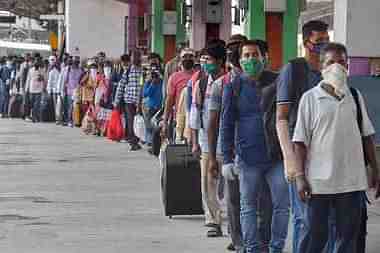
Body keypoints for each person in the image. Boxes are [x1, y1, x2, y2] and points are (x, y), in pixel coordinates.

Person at [293, 42, 380, 253]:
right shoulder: (310, 98)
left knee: (348, 237)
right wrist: (300, 176)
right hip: (319, 183)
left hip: (352, 182)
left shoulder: (355, 96)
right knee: (315, 236)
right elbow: (299, 142)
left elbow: (367, 136)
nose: (337, 67)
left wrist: (376, 170)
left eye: (342, 62)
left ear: (348, 66)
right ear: (321, 66)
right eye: (331, 62)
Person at [221, 40, 289, 253]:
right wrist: (227, 159)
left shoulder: (279, 82)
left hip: (277, 157)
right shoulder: (234, 87)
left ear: (264, 57)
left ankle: (275, 247)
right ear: (240, 60)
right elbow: (226, 123)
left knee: (281, 206)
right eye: (246, 56)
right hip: (248, 158)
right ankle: (251, 248)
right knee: (247, 207)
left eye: (255, 55)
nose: (251, 59)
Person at [276, 20, 330, 253]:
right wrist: (290, 160)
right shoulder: (294, 70)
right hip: (301, 154)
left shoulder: (331, 70)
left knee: (326, 220)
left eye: (327, 41)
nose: (324, 46)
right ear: (306, 43)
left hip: (327, 155)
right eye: (319, 42)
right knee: (303, 218)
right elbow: (281, 118)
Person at [208, 34, 246, 252]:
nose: (234, 52)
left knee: (256, 198)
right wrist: (212, 156)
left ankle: (253, 237)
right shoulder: (220, 84)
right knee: (233, 197)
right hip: (229, 149)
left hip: (255, 149)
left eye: (238, 47)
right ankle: (238, 237)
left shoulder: (261, 81)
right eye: (230, 48)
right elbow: (212, 122)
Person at [189, 39, 226, 238]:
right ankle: (214, 221)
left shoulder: (229, 82)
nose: (205, 64)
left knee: (228, 185)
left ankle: (233, 222)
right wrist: (194, 141)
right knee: (208, 183)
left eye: (209, 59)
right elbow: (195, 114)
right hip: (206, 142)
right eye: (204, 60)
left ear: (220, 61)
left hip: (228, 142)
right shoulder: (201, 84)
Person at [161, 48, 195, 142]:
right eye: (185, 57)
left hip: (195, 120)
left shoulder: (199, 76)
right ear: (180, 59)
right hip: (179, 119)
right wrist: (165, 122)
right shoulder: (174, 77)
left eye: (190, 56)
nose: (188, 59)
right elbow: (169, 100)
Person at [114, 50, 144, 151]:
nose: (135, 58)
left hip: (142, 102)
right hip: (129, 101)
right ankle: (133, 142)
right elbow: (121, 85)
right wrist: (117, 101)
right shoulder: (128, 70)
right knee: (131, 122)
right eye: (133, 57)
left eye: (137, 56)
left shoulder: (144, 69)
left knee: (140, 122)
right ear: (130, 58)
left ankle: (141, 139)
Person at [142, 67, 163, 147]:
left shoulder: (162, 82)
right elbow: (145, 94)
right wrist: (152, 84)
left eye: (156, 75)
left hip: (160, 108)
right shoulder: (148, 82)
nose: (155, 77)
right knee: (150, 126)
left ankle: (157, 142)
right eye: (153, 75)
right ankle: (150, 142)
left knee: (158, 126)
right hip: (151, 108)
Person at [63, 56, 83, 127]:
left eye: (77, 62)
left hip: (78, 91)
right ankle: (69, 120)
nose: (76, 63)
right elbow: (65, 80)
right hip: (70, 91)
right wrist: (63, 89)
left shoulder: (80, 70)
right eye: (75, 62)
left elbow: (81, 80)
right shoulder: (68, 70)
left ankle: (76, 120)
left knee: (76, 107)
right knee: (70, 107)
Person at [46, 55, 61, 122]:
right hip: (54, 90)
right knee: (56, 105)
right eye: (51, 60)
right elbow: (49, 81)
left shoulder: (60, 70)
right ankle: (56, 118)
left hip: (60, 90)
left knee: (59, 105)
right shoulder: (51, 71)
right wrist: (49, 91)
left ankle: (58, 118)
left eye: (54, 60)